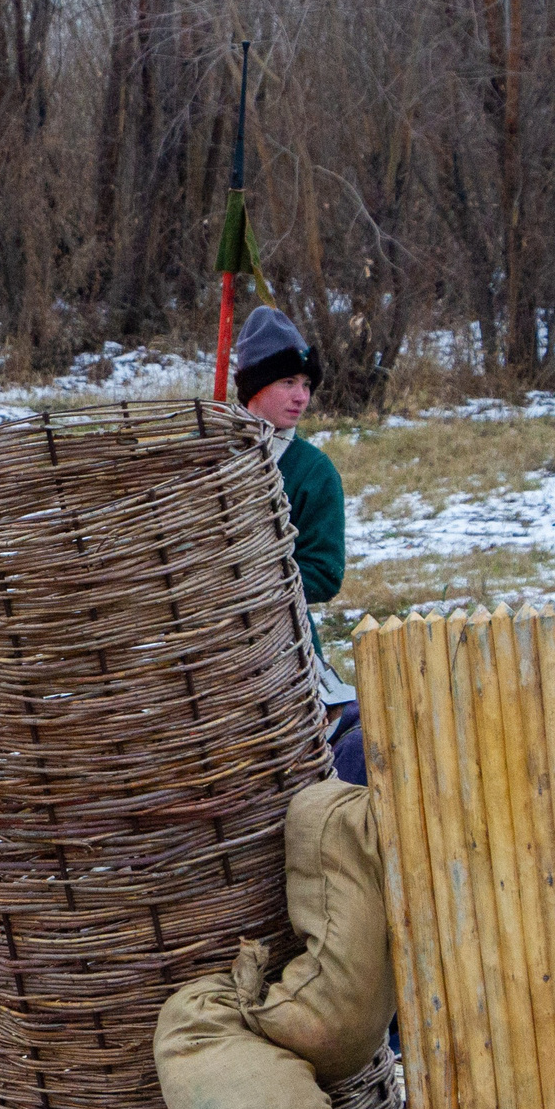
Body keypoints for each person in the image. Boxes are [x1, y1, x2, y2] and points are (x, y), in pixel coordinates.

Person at [233, 304, 365, 781]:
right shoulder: (202, 453)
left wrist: (250, 585)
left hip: (282, 647)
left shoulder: (314, 472)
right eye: (288, 382)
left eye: (306, 385)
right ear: (255, 386)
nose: (301, 397)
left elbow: (325, 574)